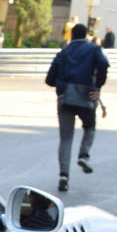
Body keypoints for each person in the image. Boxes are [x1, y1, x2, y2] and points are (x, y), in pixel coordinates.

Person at [46, 22, 110, 192]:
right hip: (85, 96)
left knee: (66, 139)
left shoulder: (63, 52)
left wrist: (61, 84)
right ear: (86, 35)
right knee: (89, 126)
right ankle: (83, 155)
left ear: (71, 35)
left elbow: (49, 79)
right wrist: (97, 88)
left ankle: (63, 175)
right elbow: (103, 64)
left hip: (65, 96)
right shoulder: (94, 49)